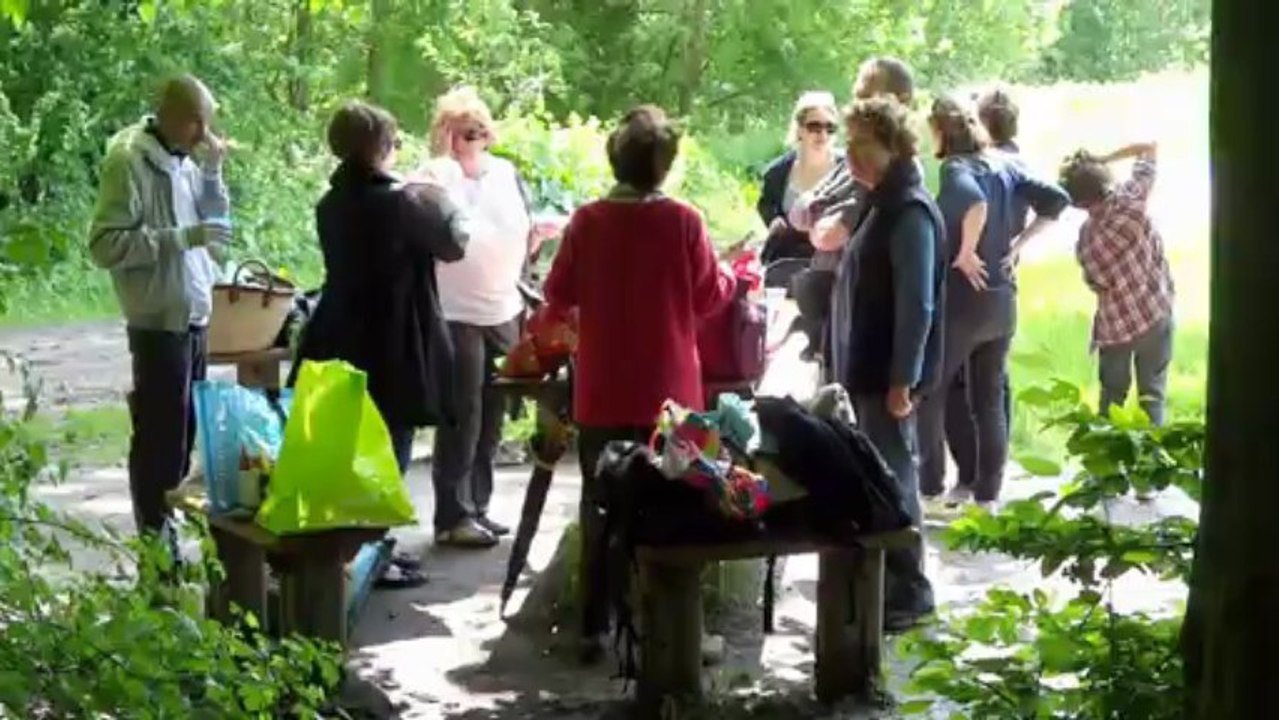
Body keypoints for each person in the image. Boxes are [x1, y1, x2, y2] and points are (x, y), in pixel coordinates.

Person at [543, 105, 736, 661]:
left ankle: (593, 626)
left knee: (600, 500)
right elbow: (709, 297)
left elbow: (559, 294)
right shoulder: (684, 221)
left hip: (601, 389)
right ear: (665, 165)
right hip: (668, 394)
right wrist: (722, 271)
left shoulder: (585, 221)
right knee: (676, 500)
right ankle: (672, 627)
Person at [295, 101, 469, 587]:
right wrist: (437, 193)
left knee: (350, 446)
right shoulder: (401, 202)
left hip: (338, 329)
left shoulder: (329, 203)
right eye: (392, 142)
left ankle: (362, 549)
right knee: (391, 444)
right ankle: (371, 553)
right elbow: (454, 244)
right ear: (377, 149)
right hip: (393, 334)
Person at [88, 75, 230, 550]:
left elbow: (216, 227)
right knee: (158, 441)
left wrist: (212, 172)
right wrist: (181, 238)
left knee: (186, 434)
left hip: (193, 317)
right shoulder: (129, 159)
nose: (204, 133)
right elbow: (105, 246)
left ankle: (166, 535)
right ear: (169, 114)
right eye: (197, 122)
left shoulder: (186, 160)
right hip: (156, 322)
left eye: (208, 123)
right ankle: (154, 547)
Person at [917, 95, 1069, 511]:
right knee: (988, 398)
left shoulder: (956, 167)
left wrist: (966, 251)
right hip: (1002, 300)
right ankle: (988, 494)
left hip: (964, 301)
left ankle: (929, 485)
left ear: (940, 131)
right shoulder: (1006, 164)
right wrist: (1018, 245)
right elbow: (1057, 200)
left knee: (930, 390)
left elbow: (974, 201)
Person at [828, 95, 943, 631]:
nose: (851, 155)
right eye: (848, 144)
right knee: (881, 472)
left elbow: (917, 304)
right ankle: (890, 582)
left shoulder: (910, 210)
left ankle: (911, 588)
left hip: (886, 374)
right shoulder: (879, 200)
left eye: (861, 144)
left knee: (896, 474)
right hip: (867, 369)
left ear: (892, 146)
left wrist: (904, 378)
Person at [424, 86, 546, 548]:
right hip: (456, 310)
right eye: (458, 133)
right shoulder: (437, 174)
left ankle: (479, 505)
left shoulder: (506, 173)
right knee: (463, 412)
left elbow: (521, 229)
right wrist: (444, 166)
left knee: (495, 410)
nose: (468, 141)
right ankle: (451, 514)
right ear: (444, 134)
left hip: (504, 306)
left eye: (475, 131)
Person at [786, 57, 917, 377]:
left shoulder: (889, 169)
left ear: (895, 102)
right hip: (835, 304)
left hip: (864, 315)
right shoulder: (851, 159)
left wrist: (817, 217)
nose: (856, 98)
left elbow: (830, 233)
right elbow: (798, 211)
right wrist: (814, 215)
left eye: (866, 92)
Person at [1060, 142, 1173, 424]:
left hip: (1115, 330)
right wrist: (1103, 157)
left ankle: (1109, 463)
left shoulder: (1087, 242)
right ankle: (1153, 462)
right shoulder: (1133, 199)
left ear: (1078, 203)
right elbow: (1148, 147)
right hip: (1155, 312)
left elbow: (1096, 283)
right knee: (1153, 397)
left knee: (1111, 400)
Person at [757, 91, 841, 266]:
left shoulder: (848, 169)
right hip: (786, 259)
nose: (822, 134)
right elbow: (767, 204)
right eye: (814, 127)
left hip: (835, 262)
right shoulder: (777, 172)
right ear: (800, 129)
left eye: (830, 128)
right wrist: (774, 220)